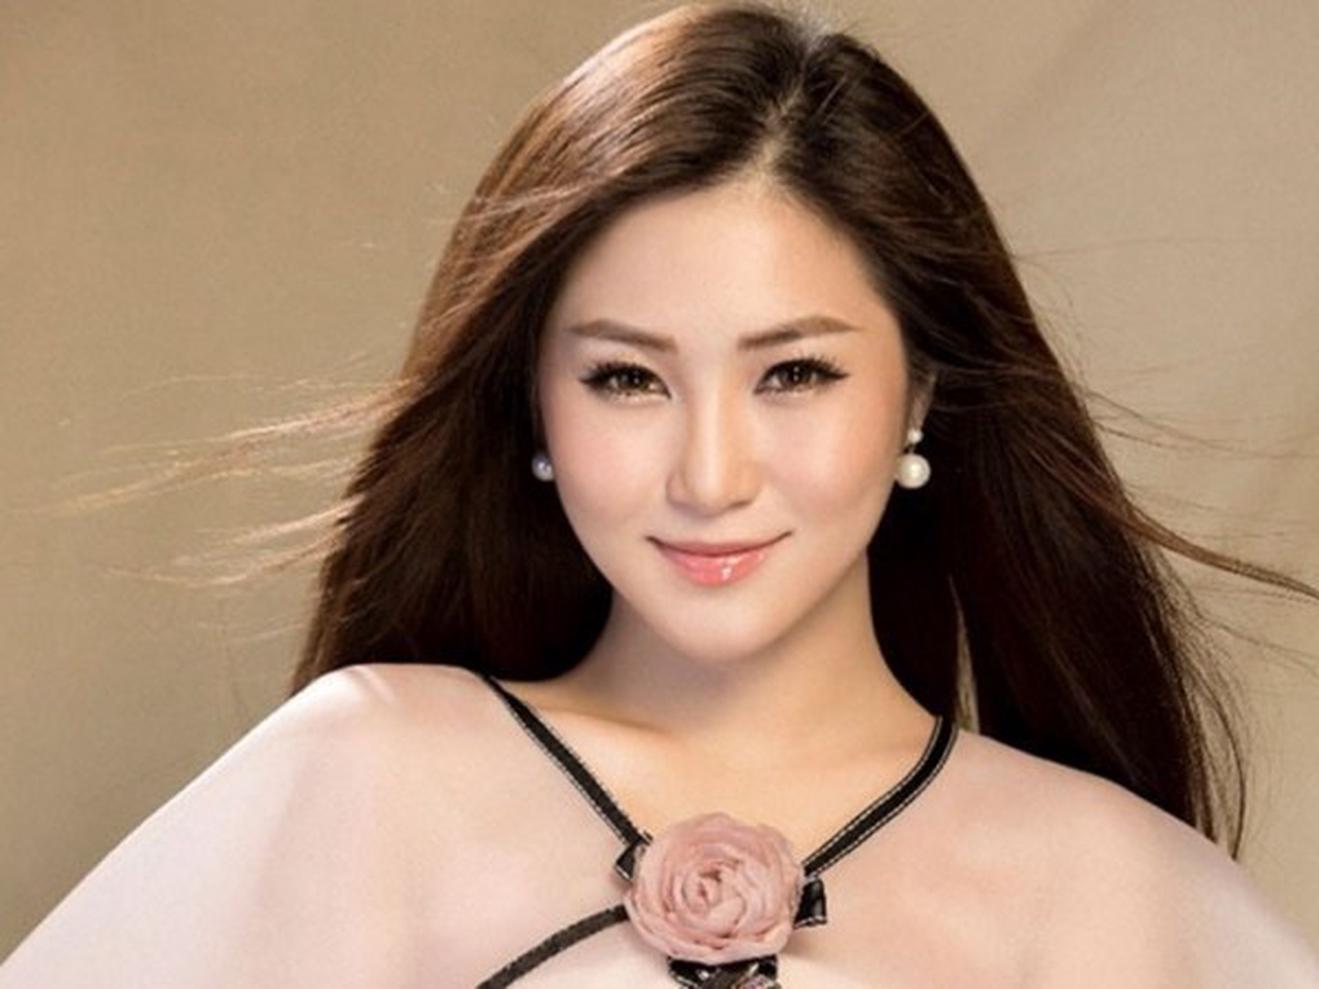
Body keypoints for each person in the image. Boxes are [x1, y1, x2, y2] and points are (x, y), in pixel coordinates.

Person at [3, 1, 1317, 985]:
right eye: (629, 379)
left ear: (919, 392)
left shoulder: (1112, 886)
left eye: (793, 372)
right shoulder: (365, 777)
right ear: (533, 403)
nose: (711, 475)